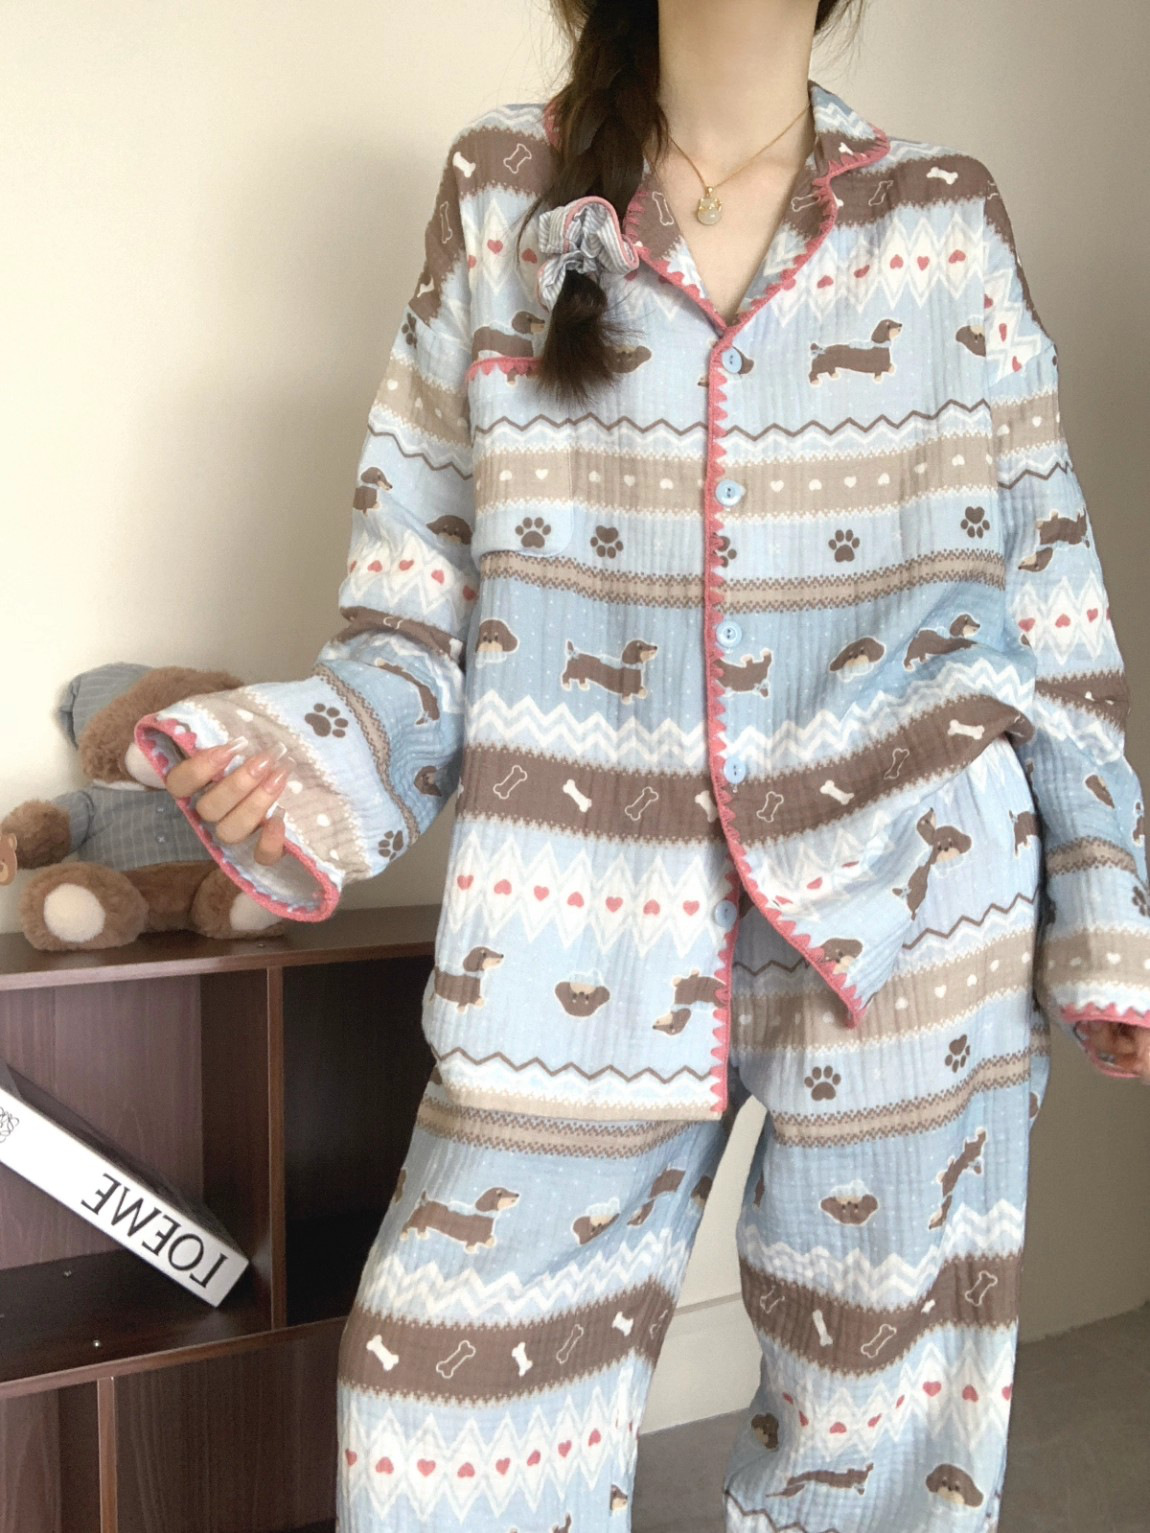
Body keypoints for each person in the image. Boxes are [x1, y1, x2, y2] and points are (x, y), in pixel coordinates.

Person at [136, 1, 1150, 1527]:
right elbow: (417, 608)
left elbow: (1048, 591)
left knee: (883, 1434)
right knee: (441, 1399)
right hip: (579, 885)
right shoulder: (505, 193)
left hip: (918, 886)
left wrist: (1105, 903)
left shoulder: (937, 211)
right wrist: (298, 758)